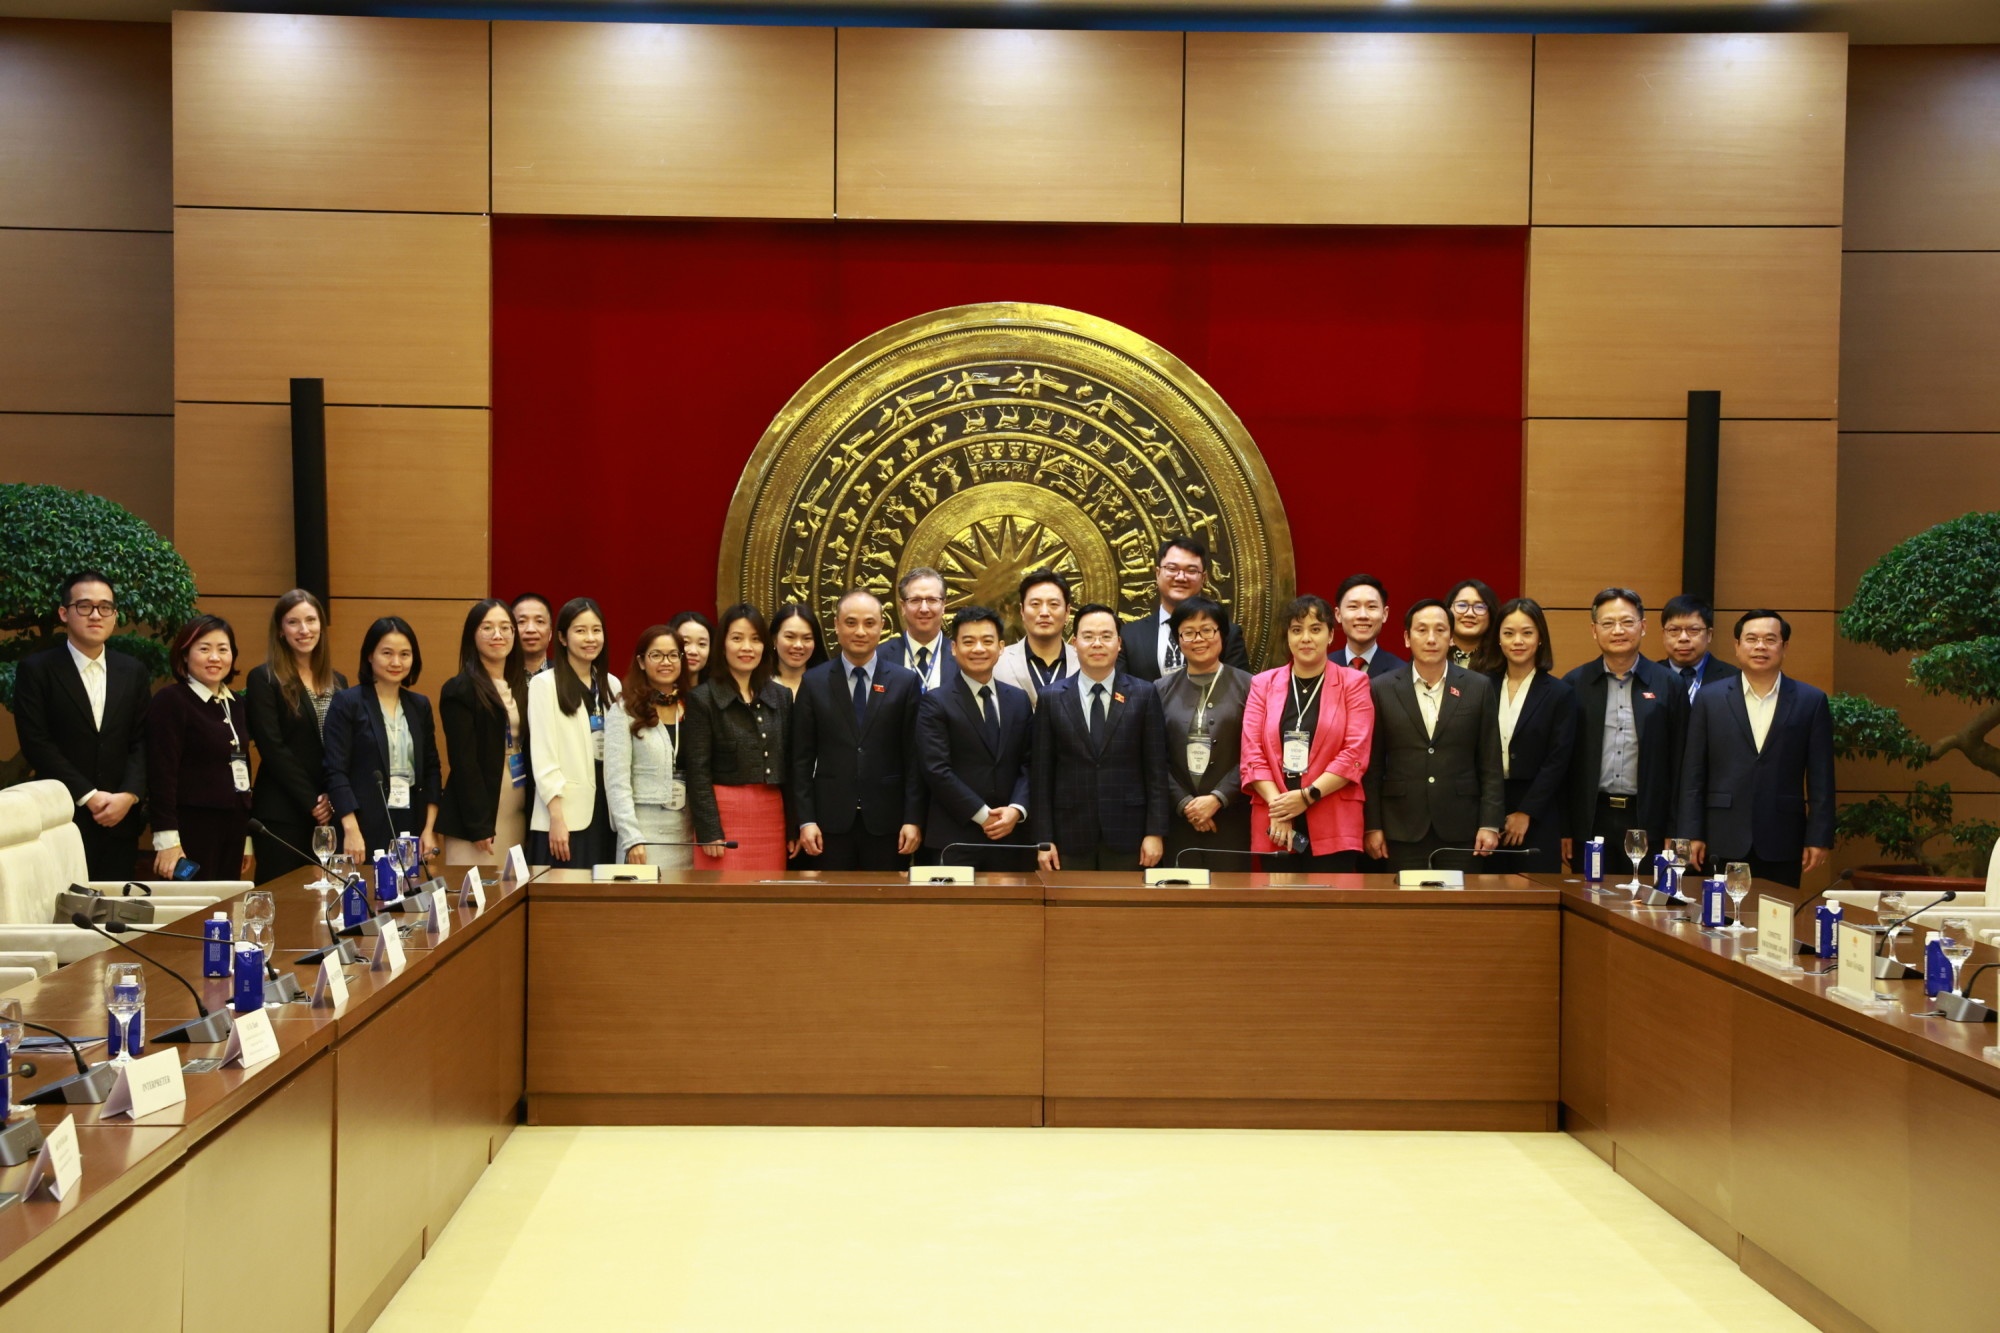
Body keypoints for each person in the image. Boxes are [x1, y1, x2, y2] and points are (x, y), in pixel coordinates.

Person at [1677, 611, 1835, 888]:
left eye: (1770, 640)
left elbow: (1822, 777)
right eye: (1751, 639)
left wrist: (1819, 836)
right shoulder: (1709, 699)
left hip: (1782, 836)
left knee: (1775, 912)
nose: (1760, 646)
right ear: (1737, 645)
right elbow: (1693, 772)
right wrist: (1691, 833)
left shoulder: (1811, 701)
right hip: (1721, 834)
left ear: (1784, 646)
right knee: (1718, 912)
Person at [13, 570, 152, 879]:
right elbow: (36, 742)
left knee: (116, 904)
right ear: (64, 613)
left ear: (114, 615)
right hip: (62, 817)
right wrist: (89, 795)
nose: (96, 615)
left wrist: (129, 794)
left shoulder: (133, 671)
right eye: (84, 606)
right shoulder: (37, 670)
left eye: (105, 607)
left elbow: (143, 740)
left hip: (121, 819)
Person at [1363, 600, 1504, 873]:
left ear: (1451, 638)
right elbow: (1373, 765)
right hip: (1401, 826)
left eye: (1440, 630)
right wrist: (1372, 825)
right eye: (1422, 630)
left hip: (1462, 826)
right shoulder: (1381, 688)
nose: (1431, 639)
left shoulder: (1478, 687)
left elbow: (1490, 762)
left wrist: (1490, 823)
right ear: (1407, 638)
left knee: (1461, 900)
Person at [791, 590, 925, 871]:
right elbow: (800, 759)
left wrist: (913, 819)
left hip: (889, 823)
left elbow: (915, 759)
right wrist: (806, 820)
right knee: (834, 898)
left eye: (869, 623)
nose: (860, 631)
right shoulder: (814, 682)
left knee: (884, 898)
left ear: (882, 627)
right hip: (829, 823)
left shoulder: (904, 682)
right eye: (851, 623)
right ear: (836, 625)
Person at [1031, 603, 1171, 871]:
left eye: (1106, 636)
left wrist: (1155, 832)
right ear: (1074, 643)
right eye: (1088, 636)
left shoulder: (1143, 694)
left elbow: (1156, 769)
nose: (1097, 644)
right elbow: (1041, 775)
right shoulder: (1051, 697)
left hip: (1130, 833)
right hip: (1068, 833)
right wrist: (1043, 839)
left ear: (1119, 643)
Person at [1241, 594, 1373, 872]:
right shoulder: (1263, 684)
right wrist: (1280, 807)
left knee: (1332, 897)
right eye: (1296, 630)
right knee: (1279, 899)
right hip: (1276, 820)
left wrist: (1305, 796)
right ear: (1287, 636)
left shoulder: (1354, 682)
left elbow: (1354, 753)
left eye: (1315, 629)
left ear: (1330, 635)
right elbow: (1252, 754)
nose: (1306, 638)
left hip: (1333, 815)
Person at [1563, 588, 1688, 867]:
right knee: (1590, 891)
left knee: (1647, 894)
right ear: (1594, 630)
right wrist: (1565, 828)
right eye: (1608, 623)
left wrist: (1675, 827)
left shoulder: (1669, 684)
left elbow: (1681, 762)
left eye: (1627, 622)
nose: (1618, 631)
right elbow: (1563, 762)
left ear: (1643, 626)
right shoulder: (1574, 684)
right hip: (1591, 818)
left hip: (1649, 820)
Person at [916, 606, 1035, 871]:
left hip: (1012, 836)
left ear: (1001, 647)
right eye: (968, 641)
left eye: (987, 641)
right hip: (956, 837)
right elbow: (936, 769)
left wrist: (1016, 809)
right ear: (954, 648)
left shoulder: (1018, 699)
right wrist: (983, 815)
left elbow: (1029, 762)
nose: (978, 649)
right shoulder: (936, 702)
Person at [324, 616, 443, 864]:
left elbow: (432, 768)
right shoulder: (348, 702)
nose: (396, 662)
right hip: (362, 823)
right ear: (370, 655)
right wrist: (350, 829)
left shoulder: (419, 705)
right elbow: (335, 771)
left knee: (409, 887)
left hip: (411, 820)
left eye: (405, 654)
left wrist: (429, 828)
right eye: (387, 653)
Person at [683, 604, 792, 871]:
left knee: (768, 891)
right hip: (724, 816)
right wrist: (709, 829)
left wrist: (793, 826)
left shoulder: (781, 696)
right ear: (722, 645)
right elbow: (697, 770)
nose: (747, 647)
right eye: (737, 638)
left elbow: (791, 764)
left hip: (771, 815)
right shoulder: (702, 699)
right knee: (723, 893)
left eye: (755, 639)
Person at [246, 589, 347, 878]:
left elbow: (343, 746)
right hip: (282, 812)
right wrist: (312, 801)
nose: (304, 630)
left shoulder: (338, 681)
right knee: (283, 896)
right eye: (293, 622)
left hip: (329, 813)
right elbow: (272, 747)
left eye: (311, 620)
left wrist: (332, 798)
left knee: (326, 897)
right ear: (280, 630)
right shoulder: (264, 678)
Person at [146, 614, 254, 881]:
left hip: (233, 827)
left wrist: (246, 839)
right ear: (184, 655)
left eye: (223, 649)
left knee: (226, 901)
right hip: (190, 829)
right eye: (204, 649)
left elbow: (242, 766)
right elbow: (161, 774)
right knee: (191, 900)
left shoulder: (235, 703)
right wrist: (166, 840)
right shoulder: (171, 700)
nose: (214, 658)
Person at [1156, 596, 1253, 868]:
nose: (1198, 639)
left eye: (1207, 630)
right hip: (1178, 821)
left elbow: (1255, 752)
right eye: (1188, 632)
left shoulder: (1250, 686)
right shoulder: (1159, 690)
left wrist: (1218, 798)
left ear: (1222, 634)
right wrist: (1185, 803)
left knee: (1230, 893)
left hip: (1231, 817)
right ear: (1178, 639)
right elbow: (1154, 758)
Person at [527, 598, 620, 869]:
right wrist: (556, 817)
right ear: (562, 638)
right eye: (580, 630)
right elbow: (543, 758)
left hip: (605, 812)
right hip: (564, 817)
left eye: (596, 630)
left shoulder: (612, 684)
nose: (590, 638)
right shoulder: (545, 684)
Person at [1488, 598, 1578, 874]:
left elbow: (1558, 760)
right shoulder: (1481, 686)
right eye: (1509, 633)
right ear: (1498, 639)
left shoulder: (1560, 693)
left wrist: (1527, 811)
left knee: (1533, 889)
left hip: (1539, 810)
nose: (1518, 641)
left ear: (1540, 638)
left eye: (1527, 633)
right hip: (1488, 806)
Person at [439, 599, 531, 866]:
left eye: (505, 627)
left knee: (511, 887)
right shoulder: (460, 689)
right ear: (472, 634)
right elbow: (463, 762)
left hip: (517, 802)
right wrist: (478, 825)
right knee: (476, 888)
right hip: (478, 814)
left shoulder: (521, 687)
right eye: (487, 627)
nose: (497, 635)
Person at [605, 625, 693, 869]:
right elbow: (616, 781)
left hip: (687, 833)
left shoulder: (692, 707)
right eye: (656, 655)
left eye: (673, 655)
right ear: (641, 662)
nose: (666, 662)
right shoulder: (624, 710)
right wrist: (631, 838)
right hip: (644, 833)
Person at [1119, 535, 1249, 681]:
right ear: (1157, 573)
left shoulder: (1227, 634)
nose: (1181, 577)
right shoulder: (1129, 635)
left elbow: (1239, 687)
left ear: (1203, 578)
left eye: (1191, 570)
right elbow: (1122, 689)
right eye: (1172, 568)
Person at [994, 568, 1078, 707]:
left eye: (1053, 604)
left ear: (1067, 612)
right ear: (1022, 611)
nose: (1044, 612)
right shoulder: (998, 662)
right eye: (1035, 604)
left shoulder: (1083, 662)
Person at [879, 567, 956, 693]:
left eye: (932, 600)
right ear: (903, 607)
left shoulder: (962, 658)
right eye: (915, 600)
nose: (924, 609)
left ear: (943, 605)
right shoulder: (879, 658)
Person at [1658, 594, 1741, 702]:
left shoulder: (1733, 678)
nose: (1683, 638)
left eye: (1693, 630)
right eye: (1674, 630)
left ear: (1709, 635)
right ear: (1663, 635)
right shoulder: (1648, 676)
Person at [1334, 573, 1403, 677]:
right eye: (1353, 606)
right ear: (1338, 614)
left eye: (1371, 607)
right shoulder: (1323, 668)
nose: (1363, 615)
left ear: (1384, 614)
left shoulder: (1400, 672)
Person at [768, 602, 827, 697]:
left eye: (807, 638)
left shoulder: (828, 685)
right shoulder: (757, 686)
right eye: (790, 637)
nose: (798, 645)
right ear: (774, 639)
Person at [1446, 579, 1498, 670]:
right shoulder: (1432, 655)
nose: (1470, 614)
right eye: (1462, 605)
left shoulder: (1503, 659)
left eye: (1479, 607)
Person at [670, 611, 716, 690]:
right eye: (685, 642)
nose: (693, 651)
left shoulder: (716, 692)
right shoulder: (656, 694)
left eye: (702, 644)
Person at [510, 593, 554, 676]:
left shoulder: (565, 675)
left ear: (550, 632)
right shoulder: (498, 675)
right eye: (522, 621)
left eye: (539, 621)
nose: (531, 629)